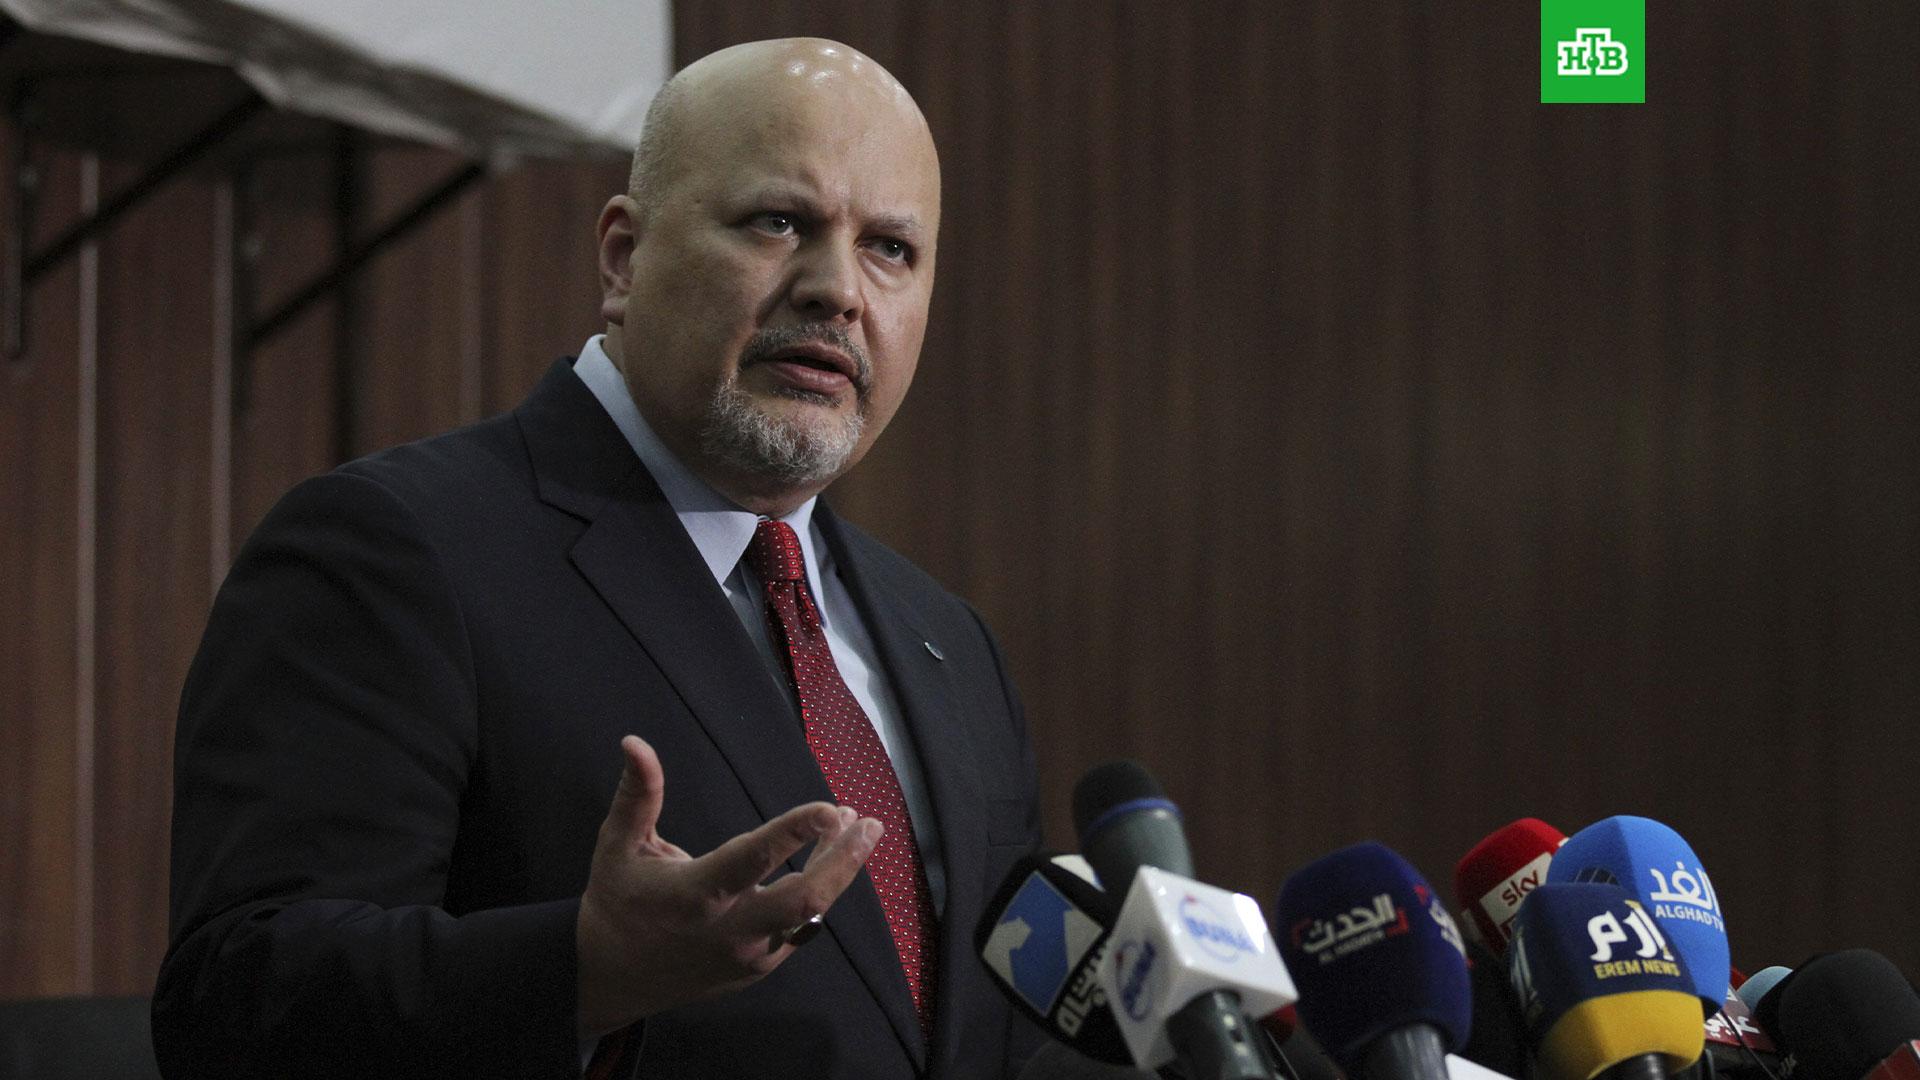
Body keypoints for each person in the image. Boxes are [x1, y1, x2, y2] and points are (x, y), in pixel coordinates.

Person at [154, 38, 1048, 1079]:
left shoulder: (948, 641)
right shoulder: (395, 550)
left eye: (890, 248)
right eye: (778, 222)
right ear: (624, 258)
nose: (838, 291)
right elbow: (237, 1001)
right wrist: (583, 974)